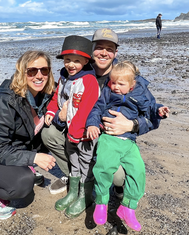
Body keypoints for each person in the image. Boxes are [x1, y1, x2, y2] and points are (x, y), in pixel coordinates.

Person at [42, 28, 160, 199]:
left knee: (117, 176)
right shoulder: (75, 71)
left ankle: (105, 181)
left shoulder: (129, 78)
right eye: (99, 47)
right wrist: (60, 116)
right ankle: (75, 177)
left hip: (109, 139)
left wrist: (132, 125)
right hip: (79, 132)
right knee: (49, 133)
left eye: (109, 49)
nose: (104, 53)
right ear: (91, 50)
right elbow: (58, 100)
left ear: (115, 52)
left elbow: (153, 117)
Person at [0, 50, 57, 220]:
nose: (39, 76)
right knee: (22, 185)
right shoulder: (5, 102)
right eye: (32, 71)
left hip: (15, 149)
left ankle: (22, 168)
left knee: (54, 133)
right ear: (21, 72)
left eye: (44, 70)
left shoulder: (45, 96)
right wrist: (34, 158)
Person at [87, 61, 169, 231]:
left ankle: (128, 207)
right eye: (113, 82)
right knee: (103, 168)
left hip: (129, 141)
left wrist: (159, 110)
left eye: (121, 84)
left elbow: (150, 109)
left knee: (138, 171)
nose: (115, 87)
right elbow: (96, 108)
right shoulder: (108, 92)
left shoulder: (140, 93)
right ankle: (101, 202)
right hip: (109, 139)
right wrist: (93, 124)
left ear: (132, 85)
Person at [45, 35, 100, 218]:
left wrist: (76, 132)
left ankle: (85, 196)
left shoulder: (89, 81)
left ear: (86, 61)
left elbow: (86, 109)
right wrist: (51, 112)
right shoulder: (64, 77)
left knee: (86, 163)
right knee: (73, 161)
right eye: (67, 60)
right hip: (71, 133)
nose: (71, 65)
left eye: (77, 61)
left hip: (84, 134)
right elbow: (56, 98)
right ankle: (73, 192)